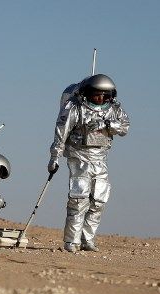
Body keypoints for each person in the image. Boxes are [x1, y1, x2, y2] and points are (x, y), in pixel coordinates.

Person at [48, 74, 130, 252]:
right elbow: (61, 132)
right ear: (87, 93)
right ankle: (71, 241)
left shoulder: (114, 109)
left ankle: (87, 239)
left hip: (100, 158)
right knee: (79, 199)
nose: (100, 99)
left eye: (104, 96)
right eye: (96, 95)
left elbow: (125, 127)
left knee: (99, 200)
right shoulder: (75, 108)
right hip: (79, 156)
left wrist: (106, 124)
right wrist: (55, 156)